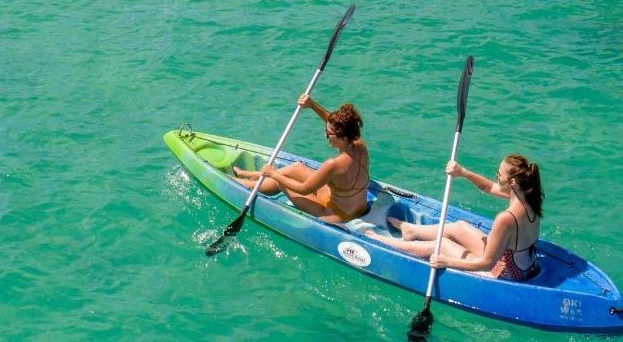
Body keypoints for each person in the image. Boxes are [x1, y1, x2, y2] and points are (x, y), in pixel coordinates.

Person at [379, 154, 544, 281]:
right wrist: (462, 172)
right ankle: (410, 230)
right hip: (522, 265)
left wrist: (446, 262)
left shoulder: (506, 218)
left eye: (499, 174)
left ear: (513, 182)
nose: (496, 177)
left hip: (504, 273)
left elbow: (487, 264)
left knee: (442, 245)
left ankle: (384, 242)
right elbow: (488, 187)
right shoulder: (530, 198)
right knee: (460, 227)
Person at [232, 96, 371, 223]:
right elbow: (335, 123)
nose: (325, 135)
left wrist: (274, 174)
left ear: (342, 136)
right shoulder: (360, 145)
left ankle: (242, 183)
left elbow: (303, 189)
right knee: (296, 167)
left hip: (335, 214)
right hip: (355, 206)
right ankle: (253, 175)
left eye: (328, 134)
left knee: (279, 180)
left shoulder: (333, 164)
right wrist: (311, 105)